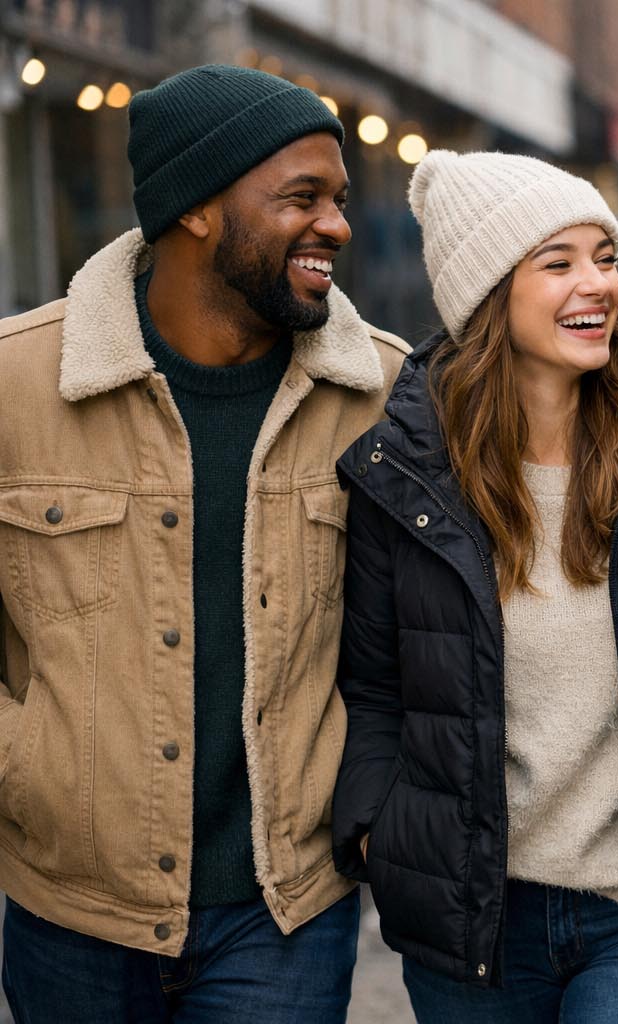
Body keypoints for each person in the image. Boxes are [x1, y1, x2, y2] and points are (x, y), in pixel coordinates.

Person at [0, 65, 410, 1021]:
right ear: (194, 209)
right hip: (71, 907)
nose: (338, 228)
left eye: (340, 200)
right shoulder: (18, 385)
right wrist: (27, 773)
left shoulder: (385, 395)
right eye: (301, 198)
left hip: (286, 916)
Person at [329, 151, 618, 1023]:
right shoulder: (403, 475)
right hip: (474, 915)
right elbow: (371, 687)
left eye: (604, 256)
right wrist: (378, 830)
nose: (598, 284)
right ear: (488, 298)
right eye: (558, 264)